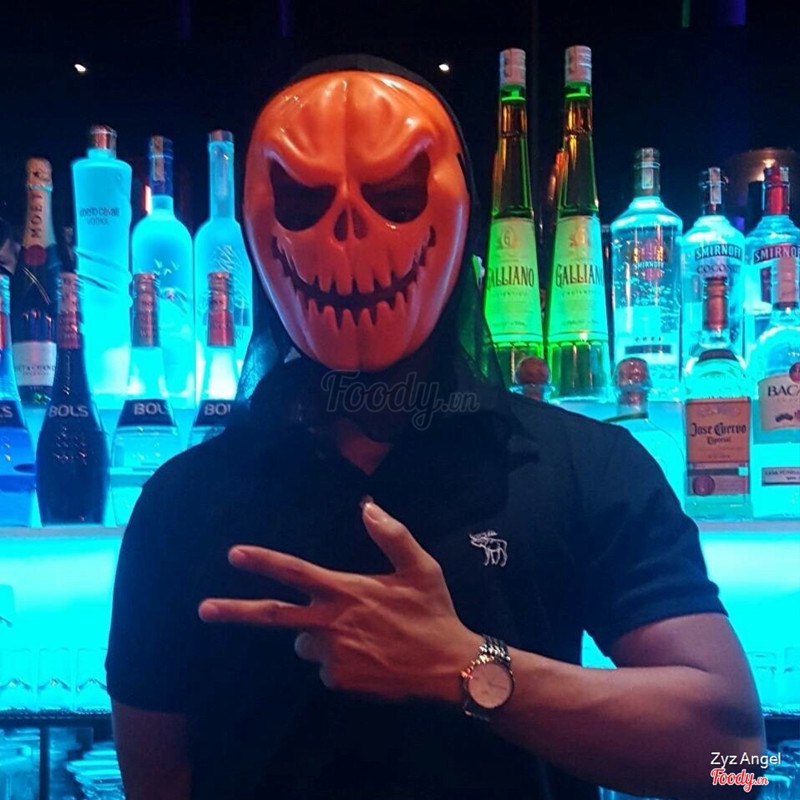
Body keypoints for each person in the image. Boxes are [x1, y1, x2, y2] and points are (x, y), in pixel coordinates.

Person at [107, 56, 764, 800]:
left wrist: (466, 667)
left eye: (394, 196)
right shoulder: (182, 504)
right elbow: (156, 782)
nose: (348, 232)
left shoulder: (581, 465)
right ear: (259, 233)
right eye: (303, 199)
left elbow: (739, 762)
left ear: (461, 221)